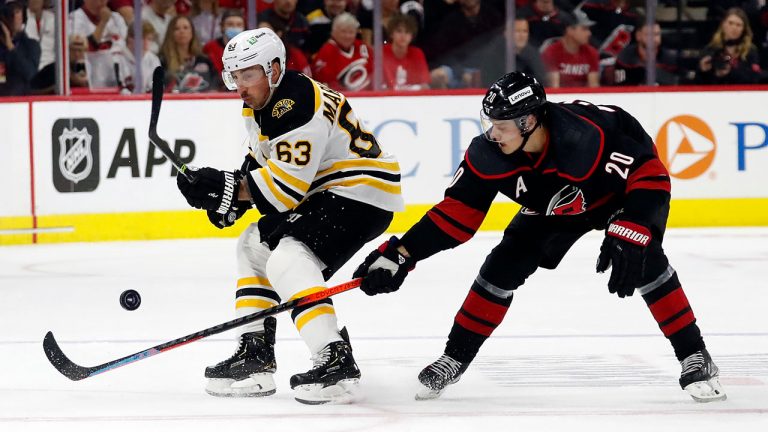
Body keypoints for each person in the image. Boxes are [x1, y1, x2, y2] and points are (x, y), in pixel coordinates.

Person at [353, 71, 727, 404]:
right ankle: (455, 357)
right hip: (555, 206)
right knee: (502, 265)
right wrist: (403, 253)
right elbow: (458, 214)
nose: (492, 133)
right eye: (490, 122)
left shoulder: (588, 136)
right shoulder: (490, 153)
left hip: (615, 196)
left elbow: (650, 172)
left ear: (529, 120)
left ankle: (695, 355)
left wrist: (637, 224)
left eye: (501, 124)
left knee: (645, 261)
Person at [175, 28, 403, 404]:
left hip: (360, 192)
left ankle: (335, 359)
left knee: (288, 256)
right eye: (234, 76)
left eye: (248, 74)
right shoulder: (262, 105)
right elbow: (264, 162)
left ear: (275, 68)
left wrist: (228, 186)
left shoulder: (295, 102)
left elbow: (284, 190)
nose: (240, 86)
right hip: (330, 190)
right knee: (253, 245)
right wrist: (228, 199)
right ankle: (255, 355)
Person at [696, 7, 762, 85]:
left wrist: (731, 72)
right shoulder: (710, 50)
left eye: (738, 25)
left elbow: (755, 78)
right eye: (730, 23)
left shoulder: (750, 51)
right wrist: (702, 70)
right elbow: (698, 83)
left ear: (743, 29)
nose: (734, 28)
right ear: (723, 25)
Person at [607, 18, 679, 86]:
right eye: (649, 34)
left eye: (657, 34)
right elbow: (620, 89)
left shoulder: (670, 60)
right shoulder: (624, 58)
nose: (654, 39)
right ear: (638, 36)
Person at [312, 12, 372, 92]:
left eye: (351, 32)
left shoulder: (362, 47)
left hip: (368, 97)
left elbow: (375, 72)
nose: (347, 36)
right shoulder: (326, 52)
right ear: (333, 32)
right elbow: (324, 84)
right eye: (343, 31)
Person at [541, 9, 600, 87]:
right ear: (570, 30)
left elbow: (594, 88)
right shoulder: (551, 52)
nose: (589, 33)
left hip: (584, 97)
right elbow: (554, 88)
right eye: (584, 29)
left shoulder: (592, 53)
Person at [160, 15, 218, 92]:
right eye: (177, 28)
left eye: (185, 28)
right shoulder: (163, 61)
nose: (182, 31)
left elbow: (215, 84)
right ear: (171, 33)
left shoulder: (204, 60)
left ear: (192, 32)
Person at [0, 0, 41, 96]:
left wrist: (11, 47)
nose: (14, 17)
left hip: (21, 102)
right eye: (10, 12)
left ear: (24, 16)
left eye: (18, 12)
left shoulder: (31, 45)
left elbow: (30, 74)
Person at [382, 13, 430, 90]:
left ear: (412, 36)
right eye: (399, 31)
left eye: (407, 32)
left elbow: (425, 86)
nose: (403, 35)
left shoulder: (417, 53)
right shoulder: (382, 53)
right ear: (391, 34)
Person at [113, 21, 161, 94]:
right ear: (130, 38)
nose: (146, 43)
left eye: (149, 39)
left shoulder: (153, 59)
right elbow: (118, 88)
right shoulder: (117, 58)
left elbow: (155, 87)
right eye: (142, 38)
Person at [202, 8, 245, 76]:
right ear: (222, 26)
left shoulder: (249, 48)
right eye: (230, 24)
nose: (235, 28)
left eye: (239, 25)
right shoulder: (210, 47)